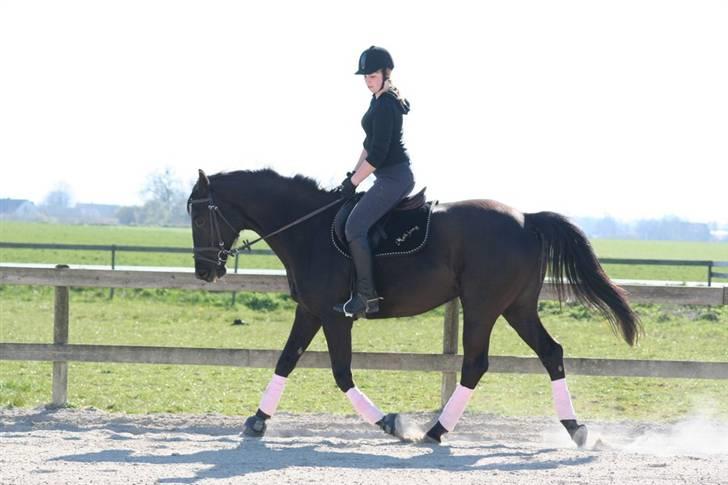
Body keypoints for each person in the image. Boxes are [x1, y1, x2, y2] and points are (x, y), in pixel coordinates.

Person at [333, 45, 415, 318]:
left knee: (355, 226)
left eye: (372, 76)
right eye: (365, 77)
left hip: (395, 178)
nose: (368, 81)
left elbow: (378, 155)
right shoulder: (377, 101)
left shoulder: (386, 104)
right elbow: (368, 146)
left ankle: (367, 297)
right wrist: (351, 177)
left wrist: (355, 182)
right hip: (385, 176)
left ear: (385, 73)